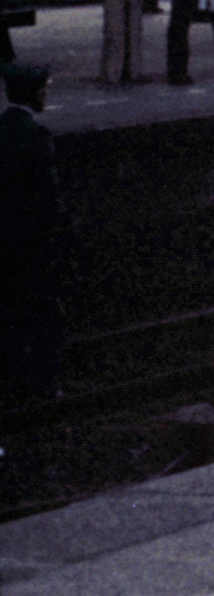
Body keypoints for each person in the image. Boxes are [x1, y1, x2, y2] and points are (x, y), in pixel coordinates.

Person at [0, 61, 64, 403]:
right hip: (31, 245)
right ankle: (43, 385)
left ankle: (10, 382)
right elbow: (48, 198)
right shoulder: (36, 137)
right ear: (37, 92)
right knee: (42, 313)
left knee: (8, 315)